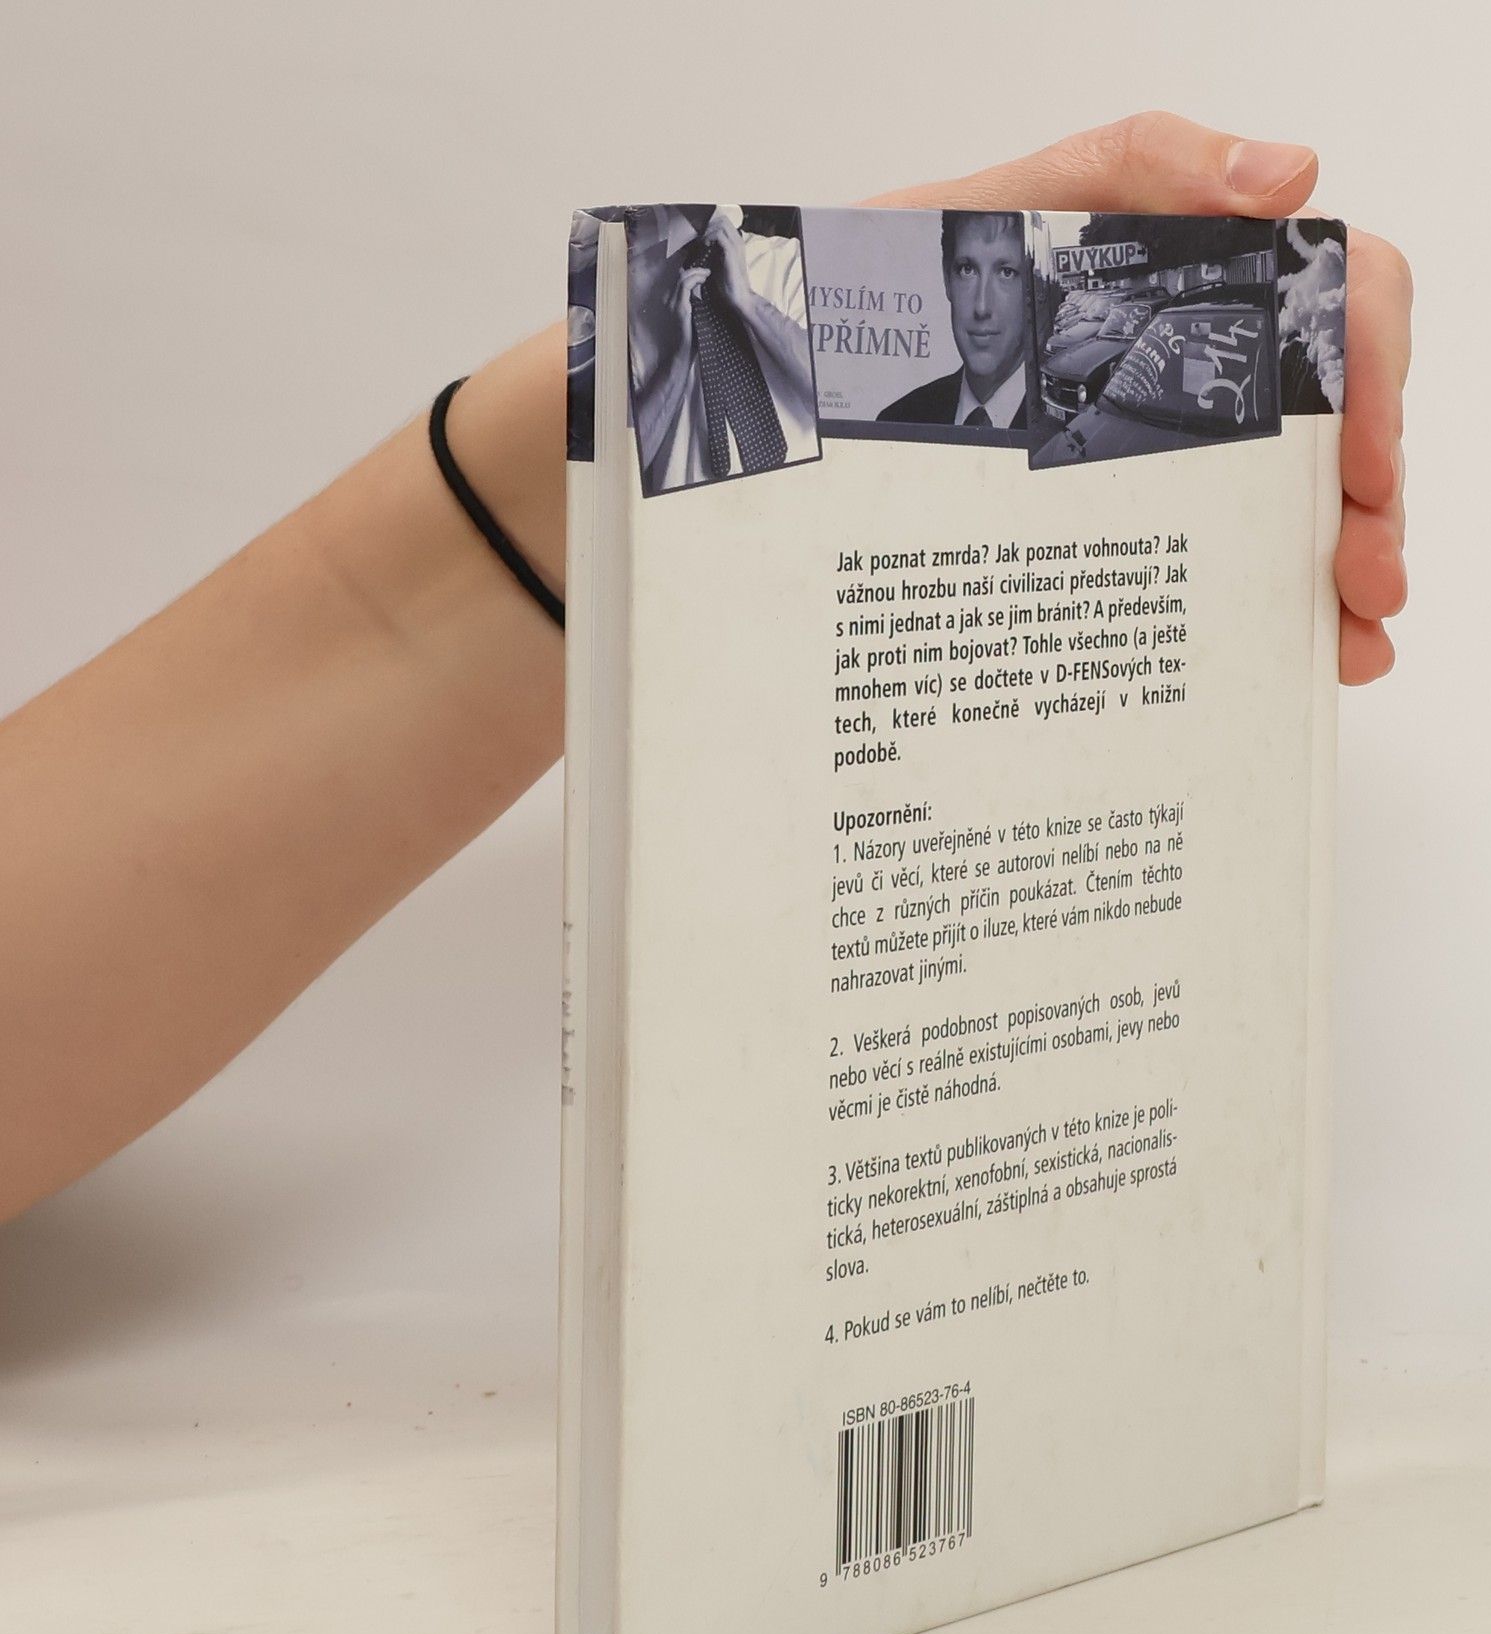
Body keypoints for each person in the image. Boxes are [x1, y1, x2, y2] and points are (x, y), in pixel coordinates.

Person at [0, 113, 1412, 1226]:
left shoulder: (1027, 416)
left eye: (1004, 269)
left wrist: (565, 467)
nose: (988, 296)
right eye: (967, 269)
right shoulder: (918, 403)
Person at [628, 204, 818, 493]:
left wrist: (748, 301)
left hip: (794, 503)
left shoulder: (791, 260)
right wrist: (678, 358)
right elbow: (622, 464)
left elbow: (831, 398)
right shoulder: (629, 288)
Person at [878, 210, 1031, 430]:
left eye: (1006, 272)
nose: (981, 307)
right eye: (967, 270)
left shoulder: (1067, 429)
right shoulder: (896, 421)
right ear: (947, 278)